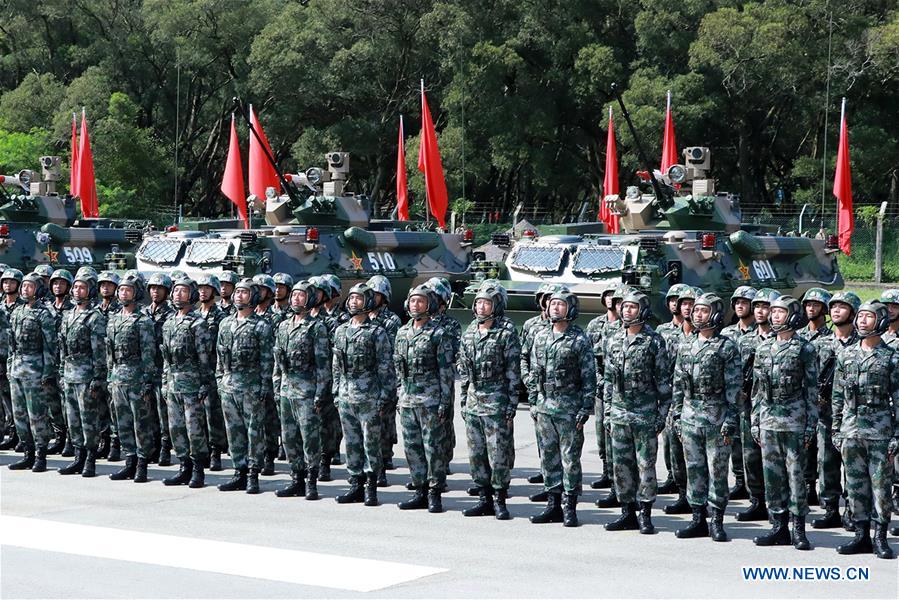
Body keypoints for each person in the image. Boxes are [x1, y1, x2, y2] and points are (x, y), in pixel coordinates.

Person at [671, 294, 741, 542]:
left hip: (716, 418)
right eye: (696, 310)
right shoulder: (686, 345)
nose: (698, 314)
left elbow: (734, 388)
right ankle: (697, 518)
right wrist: (676, 415)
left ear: (715, 313)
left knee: (717, 470)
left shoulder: (726, 347)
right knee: (694, 468)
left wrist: (731, 419)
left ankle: (717, 520)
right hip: (690, 417)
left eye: (704, 310)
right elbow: (678, 384)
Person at [832, 301, 898, 559]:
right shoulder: (846, 355)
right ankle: (860, 535)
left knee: (880, 486)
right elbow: (838, 395)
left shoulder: (892, 357)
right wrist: (836, 428)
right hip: (851, 431)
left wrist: (897, 434)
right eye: (860, 316)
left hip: (880, 431)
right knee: (855, 484)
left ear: (880, 321)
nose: (861, 321)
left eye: (868, 317)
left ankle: (880, 536)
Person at [751, 296, 817, 551]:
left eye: (781, 312)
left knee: (796, 476)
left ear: (793, 315)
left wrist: (810, 424)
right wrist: (755, 420)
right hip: (768, 420)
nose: (775, 316)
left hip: (794, 421)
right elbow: (757, 390)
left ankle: (798, 528)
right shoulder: (763, 348)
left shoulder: (804, 349)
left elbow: (811, 390)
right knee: (772, 476)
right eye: (774, 312)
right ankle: (778, 526)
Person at [603, 291, 671, 534]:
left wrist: (661, 415)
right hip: (619, 414)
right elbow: (608, 380)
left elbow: (664, 382)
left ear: (642, 310)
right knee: (621, 466)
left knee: (646, 467)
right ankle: (627, 512)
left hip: (645, 415)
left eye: (633, 307)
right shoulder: (613, 339)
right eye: (625, 307)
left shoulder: (654, 341)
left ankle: (646, 513)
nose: (627, 311)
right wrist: (608, 412)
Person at [527, 289, 595, 527]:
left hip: (569, 408)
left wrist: (585, 408)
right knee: (549, 457)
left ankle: (570, 507)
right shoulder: (540, 336)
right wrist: (534, 401)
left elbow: (589, 376)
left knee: (570, 459)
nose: (555, 308)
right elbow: (534, 371)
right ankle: (553, 504)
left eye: (561, 304)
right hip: (545, 406)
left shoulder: (579, 339)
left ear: (571, 308)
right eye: (553, 304)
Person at [458, 284, 521, 520]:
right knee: (477, 453)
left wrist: (511, 403)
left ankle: (499, 499)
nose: (481, 307)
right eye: (478, 303)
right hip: (474, 402)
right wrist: (463, 400)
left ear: (496, 306)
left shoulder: (506, 333)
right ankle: (483, 498)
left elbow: (513, 371)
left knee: (498, 454)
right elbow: (464, 371)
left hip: (497, 402)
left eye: (486, 303)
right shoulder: (470, 332)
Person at [332, 283, 395, 506]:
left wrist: (385, 397)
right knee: (352, 442)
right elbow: (337, 367)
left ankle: (371, 486)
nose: (353, 302)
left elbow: (385, 367)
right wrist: (336, 392)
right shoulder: (341, 331)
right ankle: (355, 484)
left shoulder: (377, 332)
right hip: (346, 396)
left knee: (370, 443)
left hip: (369, 397)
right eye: (351, 298)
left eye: (358, 298)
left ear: (367, 301)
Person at [394, 286, 455, 513]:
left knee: (433, 448)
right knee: (412, 447)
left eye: (420, 301)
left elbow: (446, 372)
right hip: (408, 400)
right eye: (413, 301)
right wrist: (399, 394)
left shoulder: (438, 334)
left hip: (430, 400)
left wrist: (445, 402)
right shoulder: (402, 333)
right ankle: (419, 490)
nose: (415, 305)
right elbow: (398, 369)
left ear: (429, 305)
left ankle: (434, 492)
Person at [273, 280, 331, 501]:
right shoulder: (283, 326)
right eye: (294, 295)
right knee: (289, 437)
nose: (296, 299)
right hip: (287, 390)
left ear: (310, 299)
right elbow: (278, 363)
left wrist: (320, 394)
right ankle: (296, 478)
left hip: (307, 391)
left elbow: (323, 365)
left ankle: (311, 480)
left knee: (309, 437)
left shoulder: (316, 328)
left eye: (302, 295)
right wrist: (277, 387)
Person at [216, 278, 274, 494]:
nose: (239, 296)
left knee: (254, 432)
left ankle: (253, 473)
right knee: (234, 431)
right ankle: (238, 471)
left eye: (244, 292)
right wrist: (220, 381)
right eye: (238, 292)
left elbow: (267, 360)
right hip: (229, 386)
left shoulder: (261, 326)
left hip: (251, 388)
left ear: (253, 297)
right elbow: (220, 357)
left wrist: (263, 387)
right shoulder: (225, 324)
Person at [809, 291, 860, 530]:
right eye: (834, 306)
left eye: (843, 306)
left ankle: (852, 509)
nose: (837, 310)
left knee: (852, 463)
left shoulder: (861, 344)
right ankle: (831, 508)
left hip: (853, 415)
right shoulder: (821, 343)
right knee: (826, 461)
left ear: (853, 312)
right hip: (825, 412)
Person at [734, 287, 780, 521]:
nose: (761, 311)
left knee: (775, 459)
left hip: (774, 407)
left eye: (766, 307)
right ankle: (757, 500)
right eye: (758, 307)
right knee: (750, 455)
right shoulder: (745, 340)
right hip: (748, 405)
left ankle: (778, 505)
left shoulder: (782, 340)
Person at [106, 273, 156, 483]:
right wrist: (110, 378)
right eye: (121, 290)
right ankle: (129, 461)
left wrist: (147, 381)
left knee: (141, 423)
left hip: (137, 379)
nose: (123, 293)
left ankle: (142, 464)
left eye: (128, 290)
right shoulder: (113, 319)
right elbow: (109, 353)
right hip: (118, 379)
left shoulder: (143, 321)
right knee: (123, 422)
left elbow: (148, 353)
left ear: (136, 294)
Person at [57, 272, 108, 478]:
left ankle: (90, 460)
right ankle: (78, 457)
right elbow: (62, 347)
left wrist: (98, 378)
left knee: (89, 420)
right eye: (76, 287)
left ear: (90, 291)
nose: (78, 291)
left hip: (86, 376)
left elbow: (99, 351)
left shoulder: (95, 318)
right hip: (69, 375)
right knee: (73, 419)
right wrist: (62, 372)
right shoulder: (68, 315)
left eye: (82, 288)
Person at [7, 272, 57, 472]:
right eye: (24, 286)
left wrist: (47, 372)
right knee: (19, 415)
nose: (25, 289)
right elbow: (11, 344)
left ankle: (40, 456)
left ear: (38, 289)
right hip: (17, 370)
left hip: (35, 370)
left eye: (30, 286)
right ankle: (27, 453)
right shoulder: (17, 312)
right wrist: (10, 367)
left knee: (37, 415)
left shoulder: (43, 314)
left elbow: (50, 346)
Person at [720, 285, 757, 500]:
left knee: (752, 446)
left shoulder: (761, 333)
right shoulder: (727, 333)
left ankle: (754, 487)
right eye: (737, 302)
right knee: (733, 440)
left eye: (745, 302)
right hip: (732, 396)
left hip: (752, 397)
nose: (740, 306)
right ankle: (740, 480)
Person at [585, 282, 622, 491]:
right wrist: (597, 380)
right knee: (601, 432)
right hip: (600, 388)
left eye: (614, 296)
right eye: (607, 295)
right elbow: (588, 356)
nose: (610, 299)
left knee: (616, 434)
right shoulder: (595, 325)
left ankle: (618, 476)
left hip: (618, 389)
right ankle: (606, 471)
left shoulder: (625, 326)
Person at [366, 275, 401, 485]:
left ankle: (385, 457)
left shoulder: (391, 320)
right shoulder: (360, 318)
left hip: (384, 376)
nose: (372, 298)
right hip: (365, 380)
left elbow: (392, 350)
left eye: (376, 295)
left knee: (385, 421)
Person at [196, 274, 229, 472]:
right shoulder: (194, 315)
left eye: (207, 288)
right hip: (196, 371)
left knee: (213, 413)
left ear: (214, 291)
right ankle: (202, 451)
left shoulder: (221, 317)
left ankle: (216, 451)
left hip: (213, 368)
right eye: (200, 288)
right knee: (198, 414)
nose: (203, 291)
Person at [143, 272, 175, 466]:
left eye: (160, 289)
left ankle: (164, 447)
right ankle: (152, 446)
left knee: (163, 412)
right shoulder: (144, 313)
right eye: (153, 288)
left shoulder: (171, 315)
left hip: (163, 368)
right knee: (148, 411)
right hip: (146, 368)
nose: (155, 292)